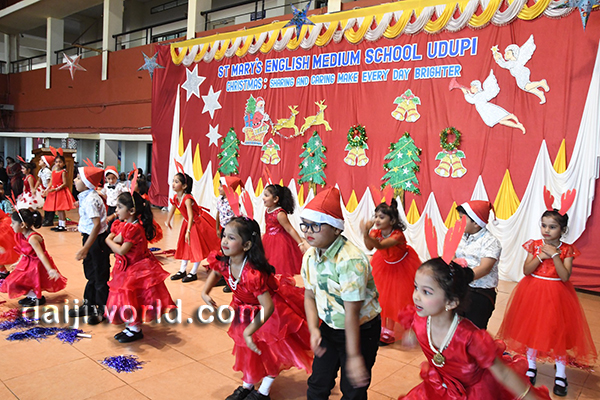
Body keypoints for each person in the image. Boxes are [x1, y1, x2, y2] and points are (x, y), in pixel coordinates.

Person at [399, 255, 550, 399]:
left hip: (474, 392)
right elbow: (414, 326)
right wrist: (411, 334)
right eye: (416, 287)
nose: (416, 296)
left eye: (426, 292)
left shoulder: (470, 337)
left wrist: (530, 396)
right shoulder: (417, 319)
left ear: (451, 303)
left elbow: (503, 373)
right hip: (440, 388)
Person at [496, 189, 597, 397]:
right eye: (543, 226)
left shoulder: (567, 249)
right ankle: (531, 366)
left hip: (557, 294)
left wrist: (556, 256)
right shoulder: (534, 246)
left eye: (552, 227)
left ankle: (560, 373)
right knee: (532, 329)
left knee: (557, 333)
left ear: (563, 229)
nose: (546, 230)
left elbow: (565, 276)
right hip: (533, 291)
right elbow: (526, 270)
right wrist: (541, 256)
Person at [202, 217, 312, 400]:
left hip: (269, 314)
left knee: (270, 352)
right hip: (244, 311)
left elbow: (268, 307)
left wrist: (249, 331)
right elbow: (215, 271)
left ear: (246, 245)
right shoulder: (224, 261)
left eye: (231, 238)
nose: (224, 241)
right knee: (248, 351)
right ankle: (248, 385)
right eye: (224, 236)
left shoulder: (252, 274)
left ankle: (263, 392)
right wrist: (205, 292)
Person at [301, 187, 381, 399]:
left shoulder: (350, 261)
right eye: (305, 225)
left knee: (353, 388)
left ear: (336, 230)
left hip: (360, 330)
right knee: (318, 383)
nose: (308, 231)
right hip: (330, 327)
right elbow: (309, 296)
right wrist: (314, 330)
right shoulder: (309, 256)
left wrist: (354, 356)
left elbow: (352, 313)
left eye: (316, 225)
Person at [105, 191, 176, 343]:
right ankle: (130, 326)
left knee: (133, 297)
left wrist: (107, 241)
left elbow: (121, 249)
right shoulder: (125, 225)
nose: (116, 210)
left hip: (136, 268)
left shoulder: (134, 228)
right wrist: (113, 239)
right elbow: (116, 238)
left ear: (131, 211)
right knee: (127, 298)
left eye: (119, 207)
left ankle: (135, 329)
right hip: (126, 267)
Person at [360, 198, 421, 345]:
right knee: (382, 296)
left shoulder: (397, 235)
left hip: (402, 266)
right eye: (375, 216)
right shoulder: (375, 232)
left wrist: (366, 233)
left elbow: (381, 246)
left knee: (398, 298)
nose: (377, 220)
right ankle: (384, 329)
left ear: (392, 220)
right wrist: (366, 234)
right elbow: (369, 247)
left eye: (381, 217)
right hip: (384, 263)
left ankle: (404, 327)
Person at [0, 209, 67, 307]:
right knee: (15, 281)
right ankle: (32, 296)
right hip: (27, 261)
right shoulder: (21, 235)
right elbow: (23, 252)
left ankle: (36, 297)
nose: (11, 225)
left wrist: (50, 269)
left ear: (22, 225)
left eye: (13, 223)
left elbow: (41, 254)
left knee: (14, 282)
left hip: (35, 265)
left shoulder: (32, 238)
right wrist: (18, 262)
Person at [70, 165, 110, 325]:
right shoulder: (86, 197)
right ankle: (89, 304)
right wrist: (80, 227)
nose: (75, 180)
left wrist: (85, 248)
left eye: (78, 178)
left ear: (87, 183)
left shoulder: (91, 200)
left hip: (96, 241)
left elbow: (97, 225)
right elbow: (90, 221)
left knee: (100, 276)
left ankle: (102, 310)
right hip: (90, 237)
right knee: (91, 274)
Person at [165, 168, 220, 282]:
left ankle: (193, 272)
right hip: (188, 223)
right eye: (173, 181)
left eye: (176, 181)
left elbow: (191, 216)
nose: (173, 183)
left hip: (196, 223)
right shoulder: (176, 197)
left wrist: (188, 231)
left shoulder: (187, 199)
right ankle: (182, 270)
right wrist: (168, 220)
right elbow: (173, 207)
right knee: (185, 246)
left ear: (184, 186)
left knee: (196, 247)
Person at [454, 200, 501, 330]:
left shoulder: (490, 241)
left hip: (479, 293)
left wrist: (462, 277)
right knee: (456, 328)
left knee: (474, 331)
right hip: (460, 289)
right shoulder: (459, 236)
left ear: (476, 223)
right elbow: (452, 256)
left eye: (462, 219)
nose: (458, 222)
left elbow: (485, 268)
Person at [261, 184, 308, 276]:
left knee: (279, 264)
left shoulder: (280, 214)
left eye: (266, 195)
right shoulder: (267, 210)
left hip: (279, 242)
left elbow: (290, 229)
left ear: (275, 199)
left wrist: (300, 243)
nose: (263, 198)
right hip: (268, 239)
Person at [43, 150, 75, 231]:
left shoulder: (63, 172)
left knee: (61, 209)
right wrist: (47, 189)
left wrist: (56, 189)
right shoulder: (53, 172)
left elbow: (65, 183)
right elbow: (51, 182)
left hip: (60, 192)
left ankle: (63, 225)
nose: (58, 164)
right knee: (57, 209)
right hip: (54, 192)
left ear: (64, 163)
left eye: (60, 162)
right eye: (56, 162)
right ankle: (60, 224)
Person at [0, 184, 18, 279]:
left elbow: (9, 215)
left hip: (4, 228)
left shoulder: (5, 201)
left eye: (2, 189)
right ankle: (3, 271)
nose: (1, 191)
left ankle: (3, 272)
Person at [35, 154, 55, 226]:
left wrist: (47, 190)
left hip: (49, 190)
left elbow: (49, 182)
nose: (39, 161)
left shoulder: (47, 171)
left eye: (41, 160)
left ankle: (49, 220)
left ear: (45, 163)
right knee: (46, 205)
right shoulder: (41, 171)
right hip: (45, 189)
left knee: (50, 206)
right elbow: (39, 180)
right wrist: (35, 188)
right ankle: (46, 219)